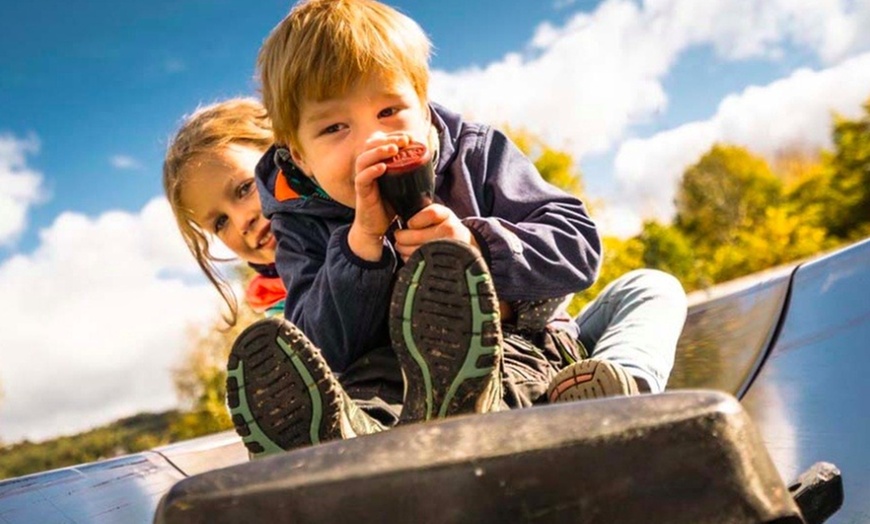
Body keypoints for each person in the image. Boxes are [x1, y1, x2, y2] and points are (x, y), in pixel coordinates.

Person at [162, 98, 405, 456]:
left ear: (292, 155)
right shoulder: (276, 307)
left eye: (245, 188)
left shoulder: (364, 217)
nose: (242, 220)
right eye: (220, 222)